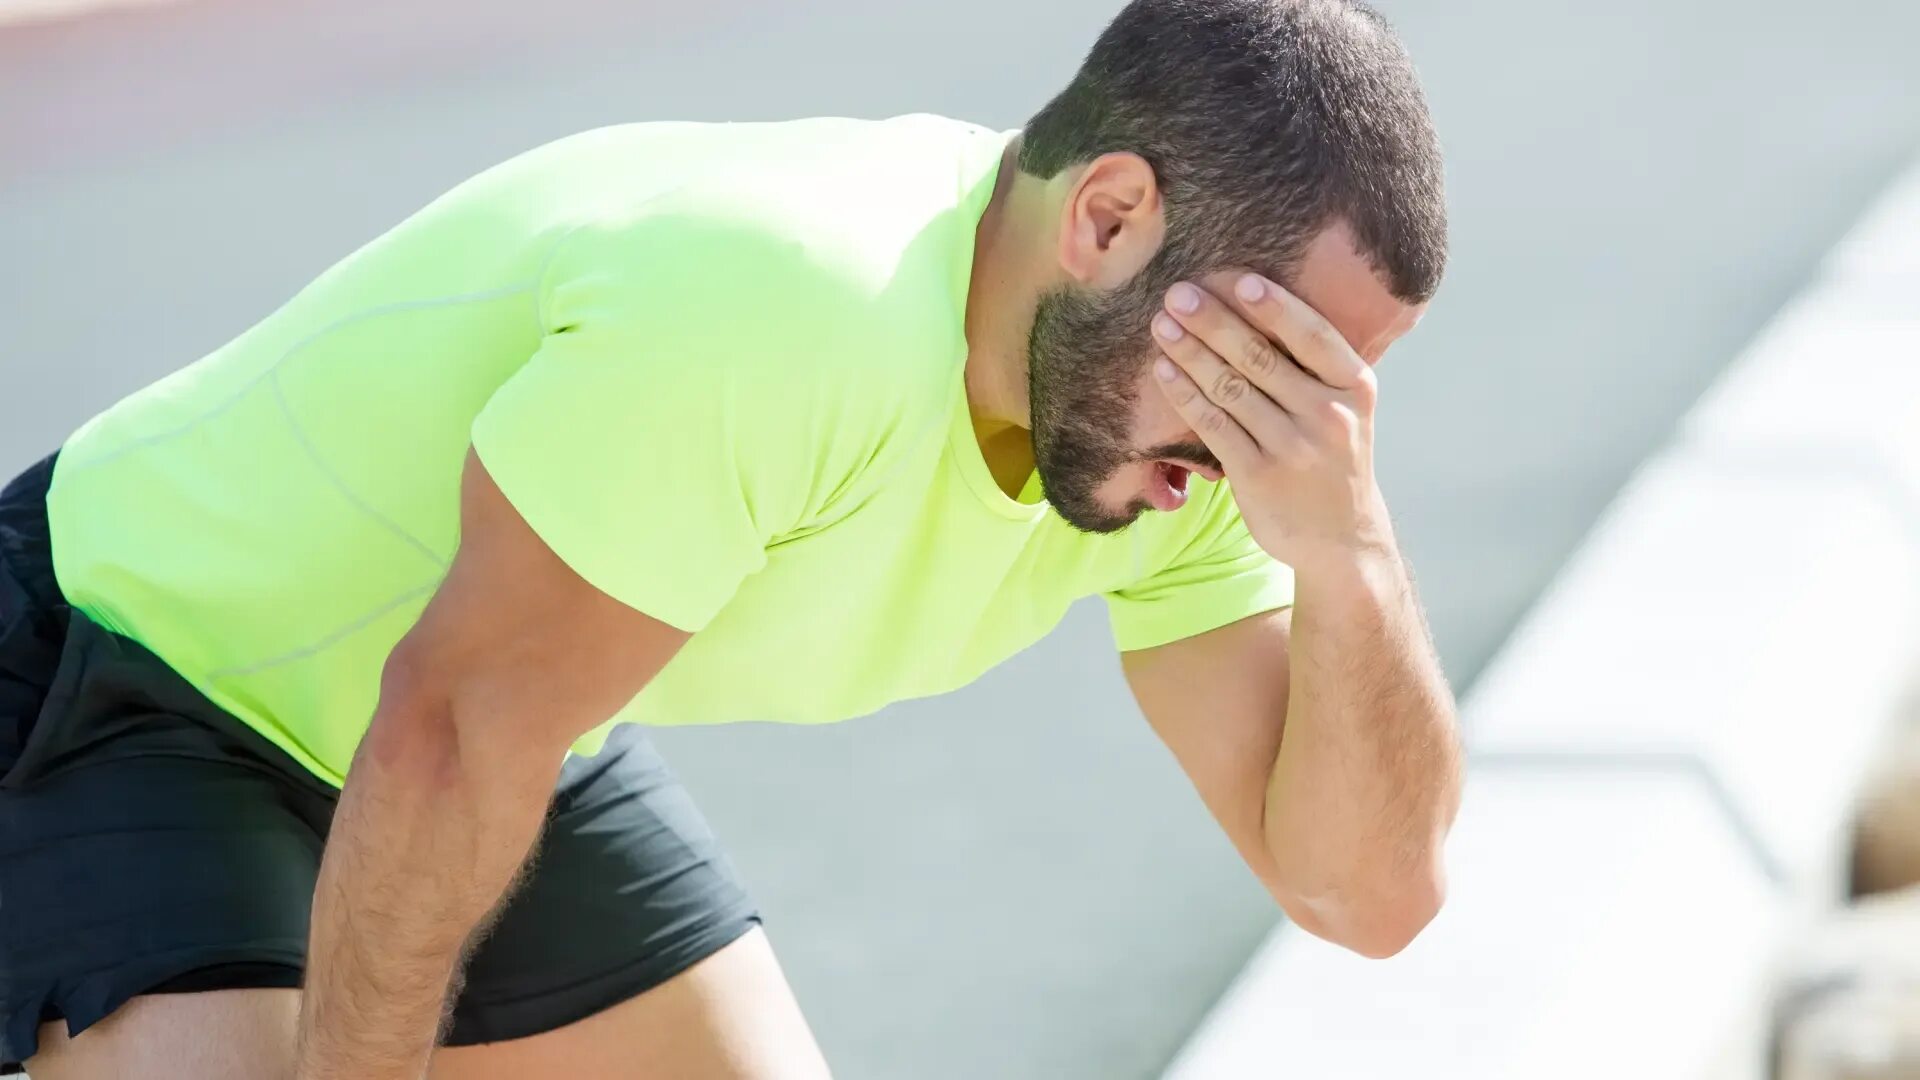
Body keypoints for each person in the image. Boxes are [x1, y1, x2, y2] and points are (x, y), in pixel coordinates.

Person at [0, 0, 1464, 1076]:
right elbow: (447, 734)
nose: (1279, 436)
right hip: (136, 663)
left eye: (1329, 395)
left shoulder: (1179, 460)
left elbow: (1364, 892)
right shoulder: (787, 301)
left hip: (503, 711)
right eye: (1269, 370)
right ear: (1109, 216)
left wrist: (1352, 554)